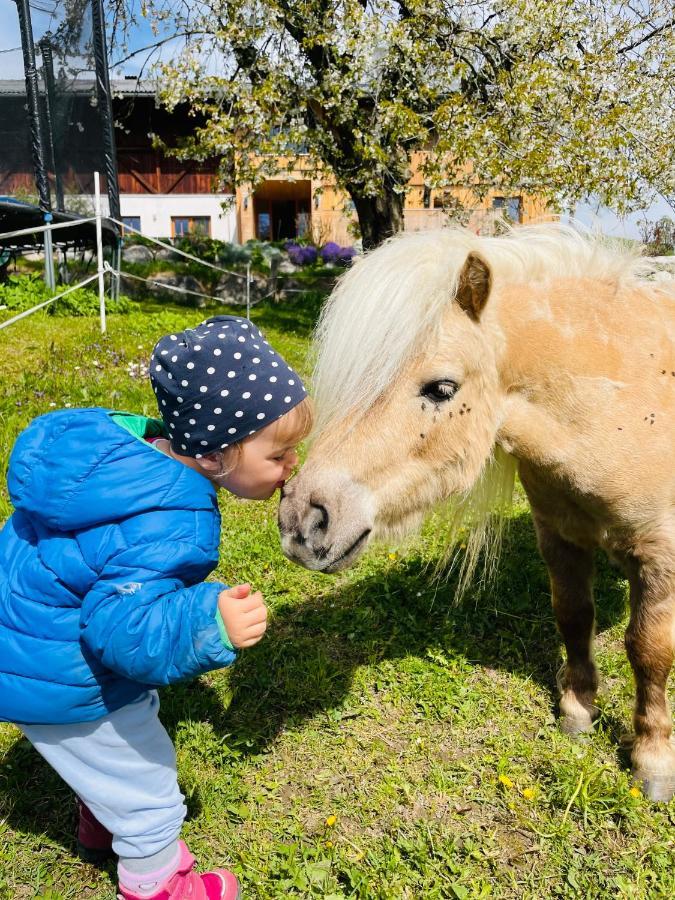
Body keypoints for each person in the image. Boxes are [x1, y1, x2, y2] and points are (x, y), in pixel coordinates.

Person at [0, 315, 313, 900]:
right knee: (146, 783)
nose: (291, 466)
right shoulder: (171, 520)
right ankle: (158, 883)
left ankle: (100, 819)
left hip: (27, 636)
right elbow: (120, 629)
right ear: (219, 454)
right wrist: (206, 623)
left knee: (115, 749)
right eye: (279, 455)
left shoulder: (122, 454)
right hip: (58, 670)